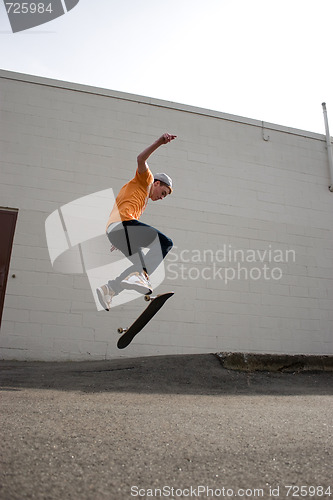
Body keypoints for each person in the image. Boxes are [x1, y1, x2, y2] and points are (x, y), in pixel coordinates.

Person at [96, 133, 176, 311]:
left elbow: (121, 206)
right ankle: (138, 275)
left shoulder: (140, 201)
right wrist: (159, 142)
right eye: (162, 193)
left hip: (118, 231)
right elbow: (141, 158)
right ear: (156, 183)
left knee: (139, 267)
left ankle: (110, 289)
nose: (161, 198)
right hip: (123, 227)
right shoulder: (145, 180)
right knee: (165, 243)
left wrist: (118, 238)